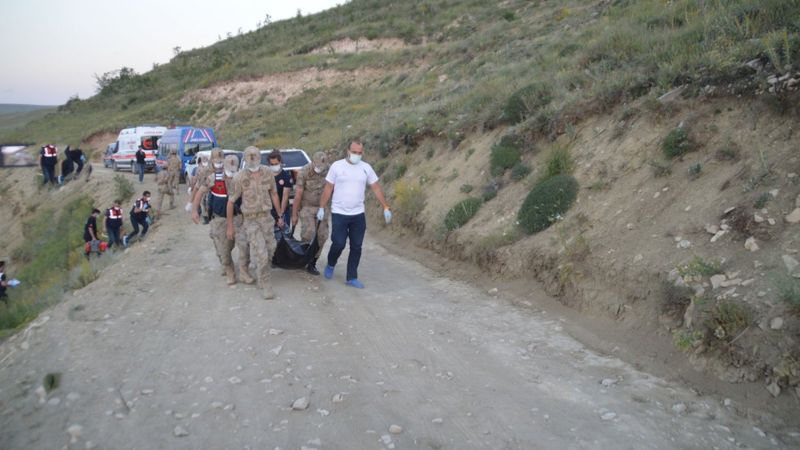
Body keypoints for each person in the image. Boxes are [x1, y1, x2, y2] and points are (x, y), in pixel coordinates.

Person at [317, 140, 392, 288]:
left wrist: (385, 207)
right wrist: (321, 207)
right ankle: (331, 263)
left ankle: (351, 277)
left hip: (358, 214)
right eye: (354, 152)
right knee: (339, 243)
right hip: (339, 213)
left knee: (356, 246)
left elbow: (376, 188)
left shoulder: (366, 168)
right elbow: (328, 188)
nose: (357, 155)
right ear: (348, 151)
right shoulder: (337, 166)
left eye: (360, 152)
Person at [226, 146, 284, 299]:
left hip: (267, 218)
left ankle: (261, 272)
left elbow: (274, 193)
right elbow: (231, 202)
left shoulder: (267, 172)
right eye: (250, 158)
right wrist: (230, 226)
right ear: (245, 159)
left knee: (271, 249)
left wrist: (280, 215)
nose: (253, 160)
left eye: (255, 157)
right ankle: (265, 284)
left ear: (260, 157)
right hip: (251, 220)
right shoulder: (239, 177)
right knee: (261, 253)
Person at [191, 149, 249, 285]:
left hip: (238, 218)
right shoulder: (213, 178)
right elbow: (199, 192)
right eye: (229, 171)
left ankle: (244, 271)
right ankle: (230, 272)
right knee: (224, 249)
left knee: (245, 245)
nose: (231, 174)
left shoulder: (242, 179)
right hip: (219, 219)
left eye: (234, 171)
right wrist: (194, 210)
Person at [292, 151, 330, 275]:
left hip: (322, 207)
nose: (320, 169)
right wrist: (294, 214)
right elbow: (298, 194)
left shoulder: (329, 170)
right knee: (309, 234)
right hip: (307, 207)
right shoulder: (304, 172)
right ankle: (304, 258)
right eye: (317, 166)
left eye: (322, 166)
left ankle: (313, 262)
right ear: (312, 162)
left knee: (322, 236)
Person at [267, 150, 293, 233]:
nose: (274, 166)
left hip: (283, 210)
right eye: (272, 164)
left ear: (280, 162)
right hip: (268, 211)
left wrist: (281, 216)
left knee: (284, 234)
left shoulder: (286, 176)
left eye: (276, 164)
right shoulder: (266, 176)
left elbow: (285, 197)